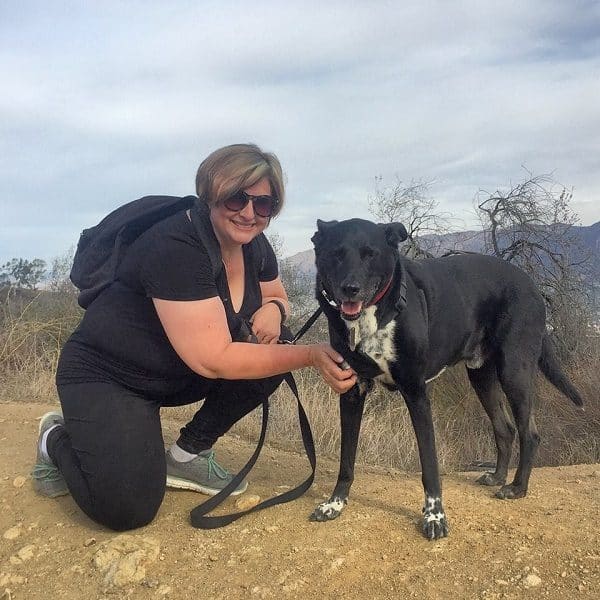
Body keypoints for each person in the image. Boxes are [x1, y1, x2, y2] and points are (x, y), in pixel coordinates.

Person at [32, 143, 356, 531]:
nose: (250, 213)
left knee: (276, 343)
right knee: (126, 509)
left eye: (264, 204)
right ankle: (55, 437)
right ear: (211, 193)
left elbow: (275, 294)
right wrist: (310, 355)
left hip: (176, 372)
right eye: (237, 198)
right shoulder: (176, 246)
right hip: (110, 376)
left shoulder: (253, 243)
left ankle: (188, 455)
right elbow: (214, 358)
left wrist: (275, 310)